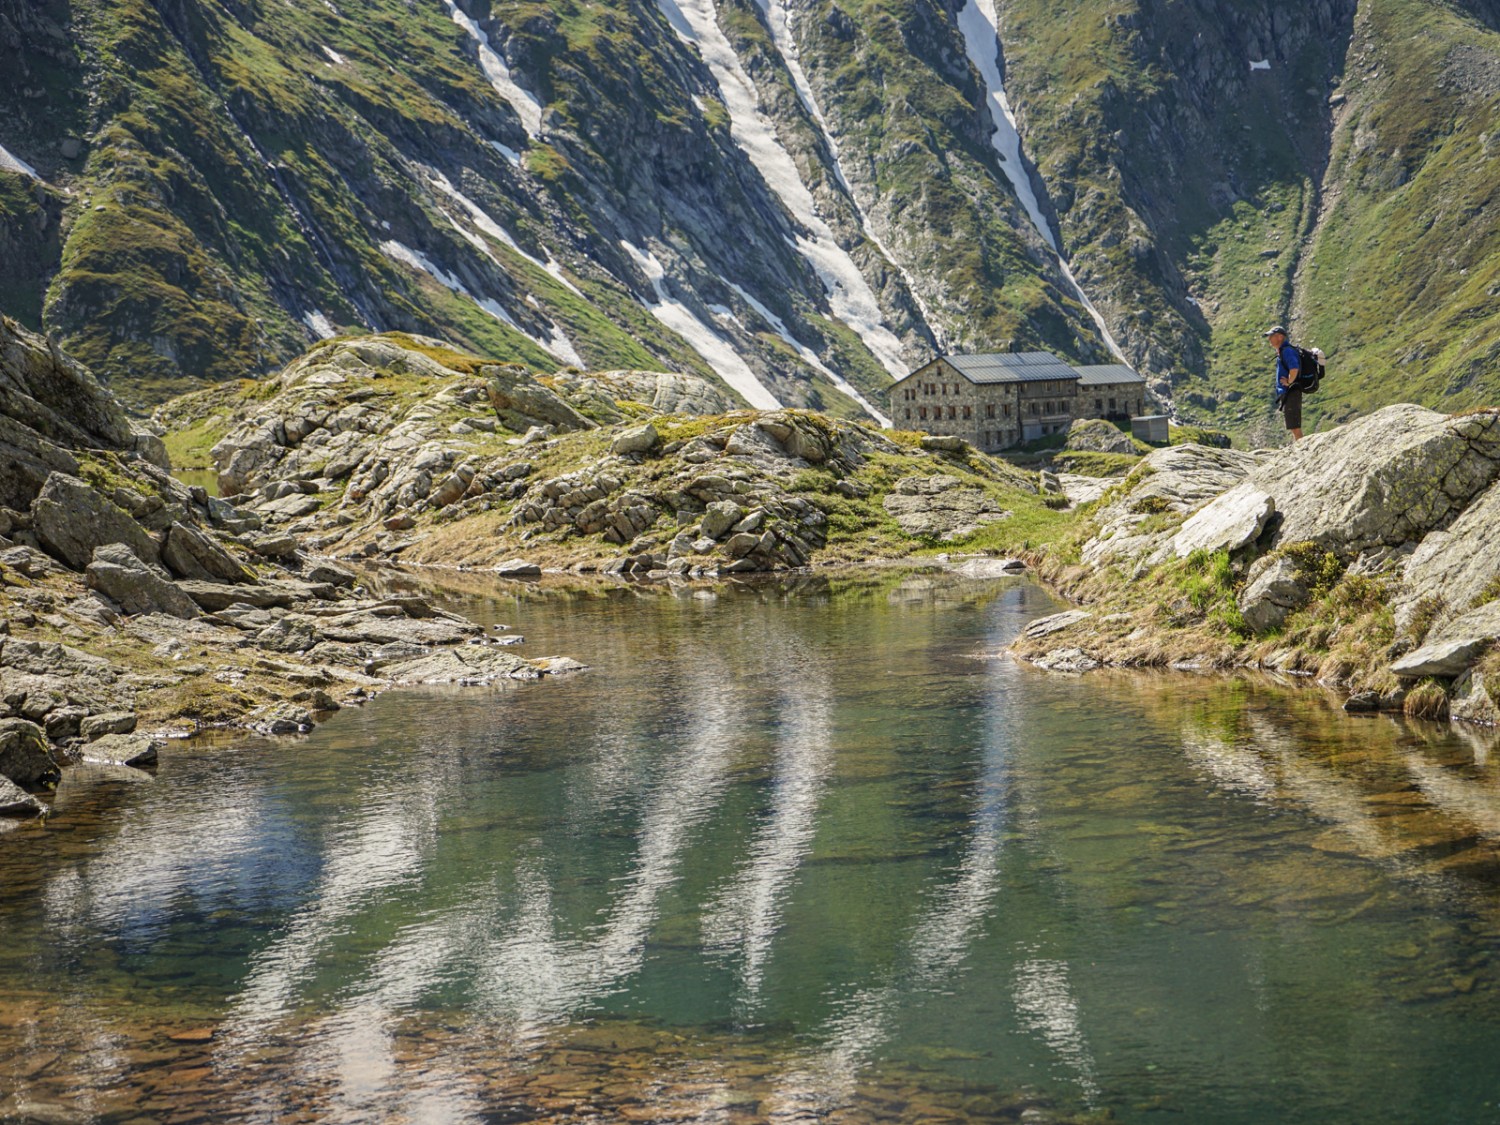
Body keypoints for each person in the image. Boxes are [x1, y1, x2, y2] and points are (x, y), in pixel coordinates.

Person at [1264, 325, 1302, 441]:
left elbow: (1294, 368)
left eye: (1272, 336)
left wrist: (1289, 382)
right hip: (1288, 392)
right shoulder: (1283, 351)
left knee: (1294, 426)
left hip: (1291, 391)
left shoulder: (1287, 351)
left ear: (1280, 337)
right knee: (1292, 425)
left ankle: (1301, 449)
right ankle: (1299, 446)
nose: (1269, 339)